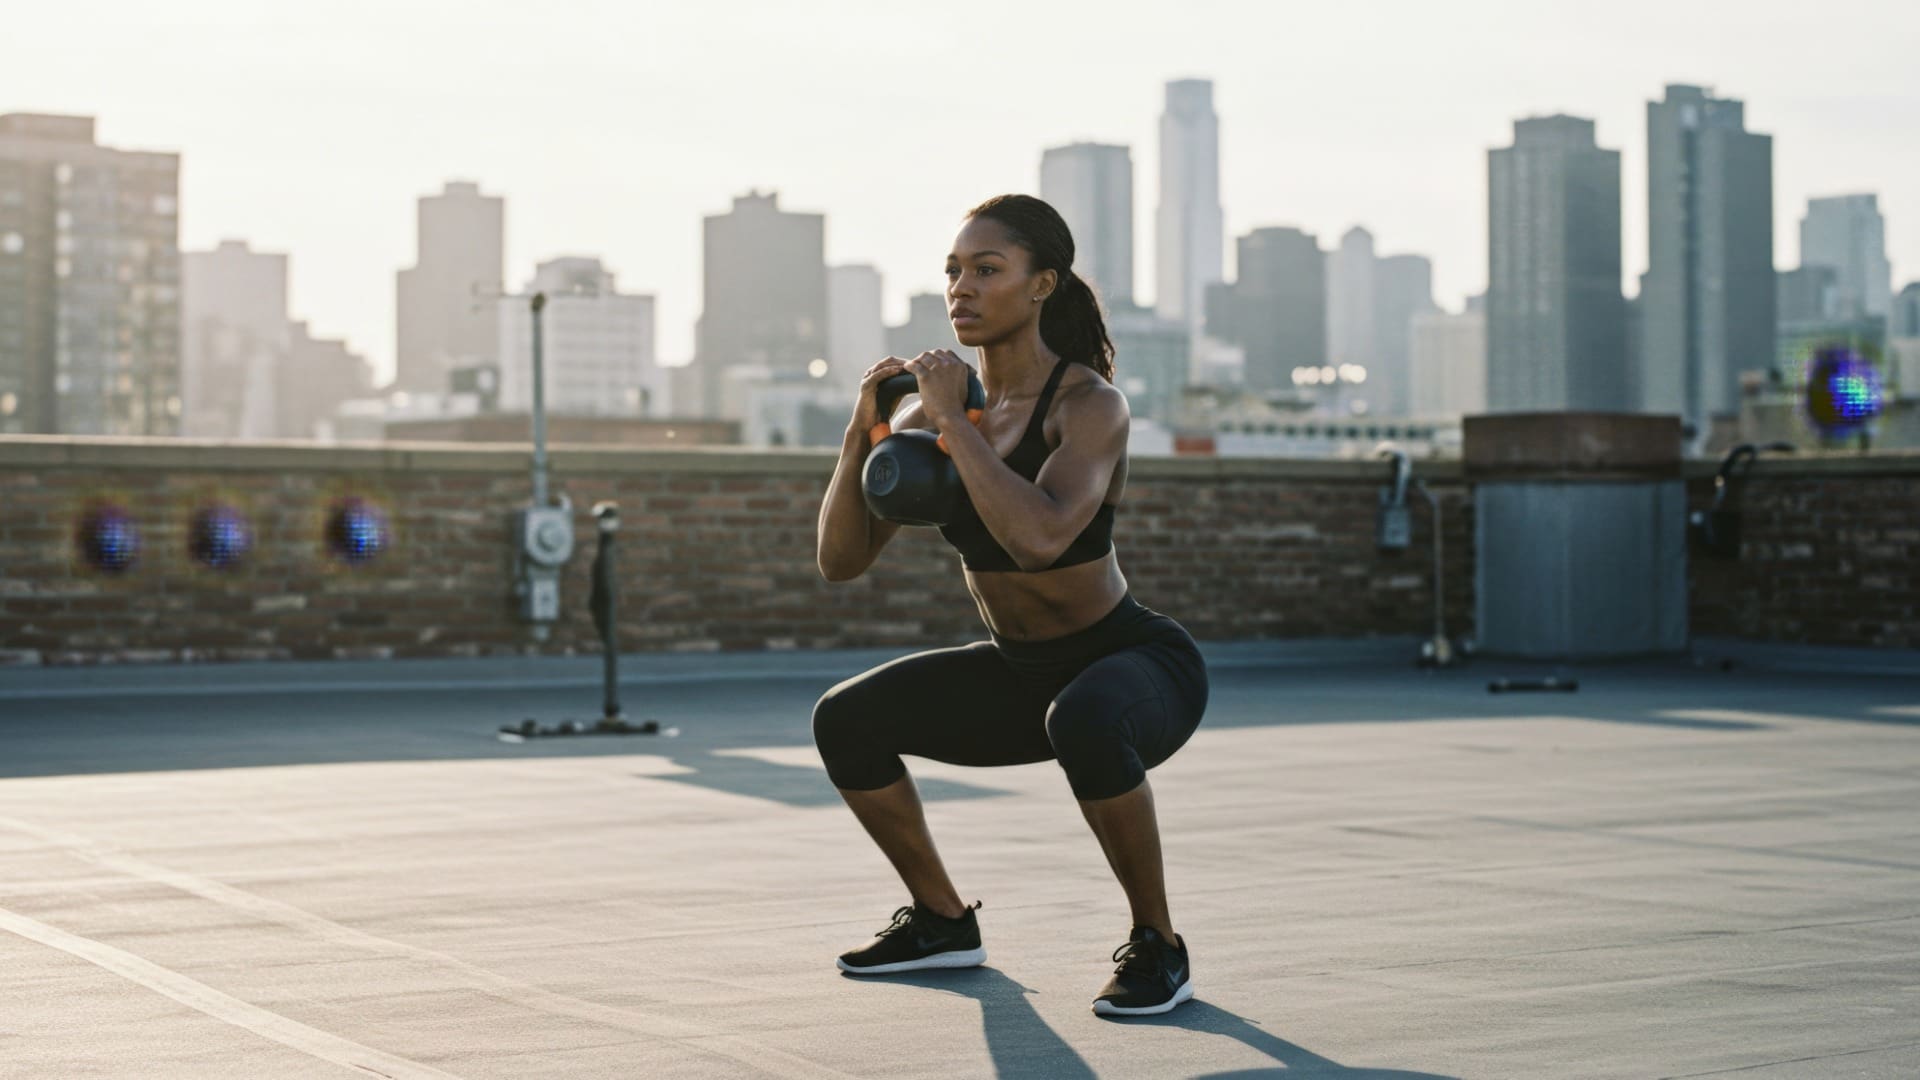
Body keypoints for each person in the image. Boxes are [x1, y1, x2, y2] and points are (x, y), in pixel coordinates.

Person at [812, 194, 1210, 1017]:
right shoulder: (931, 421)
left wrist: (954, 425)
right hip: (1022, 674)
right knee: (845, 718)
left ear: (1042, 286)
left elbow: (1040, 539)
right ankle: (942, 922)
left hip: (1131, 664)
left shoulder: (1088, 406)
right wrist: (862, 436)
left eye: (987, 270)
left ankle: (1158, 945)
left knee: (1087, 720)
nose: (961, 288)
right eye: (953, 271)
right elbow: (841, 561)